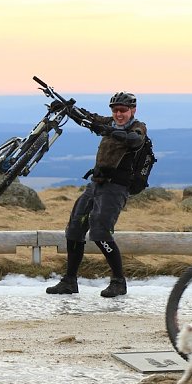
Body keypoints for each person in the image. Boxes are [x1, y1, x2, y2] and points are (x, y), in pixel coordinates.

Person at [45, 92, 147, 298]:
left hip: (115, 188)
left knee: (101, 232)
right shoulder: (109, 122)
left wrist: (111, 131)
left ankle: (118, 282)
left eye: (123, 110)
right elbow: (88, 118)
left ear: (133, 110)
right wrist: (67, 109)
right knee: (74, 229)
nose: (119, 114)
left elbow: (135, 140)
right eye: (115, 110)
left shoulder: (138, 128)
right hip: (96, 184)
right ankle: (69, 281)